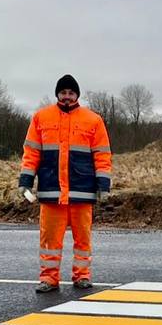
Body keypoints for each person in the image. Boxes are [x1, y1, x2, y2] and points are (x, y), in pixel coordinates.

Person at [19, 74, 113, 292]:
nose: (67, 96)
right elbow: (31, 153)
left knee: (83, 239)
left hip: (82, 190)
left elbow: (102, 155)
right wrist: (25, 182)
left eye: (71, 93)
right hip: (52, 190)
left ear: (77, 95)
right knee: (50, 240)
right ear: (58, 94)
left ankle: (82, 276)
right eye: (63, 93)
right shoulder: (41, 118)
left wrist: (103, 186)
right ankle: (49, 279)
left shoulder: (93, 120)